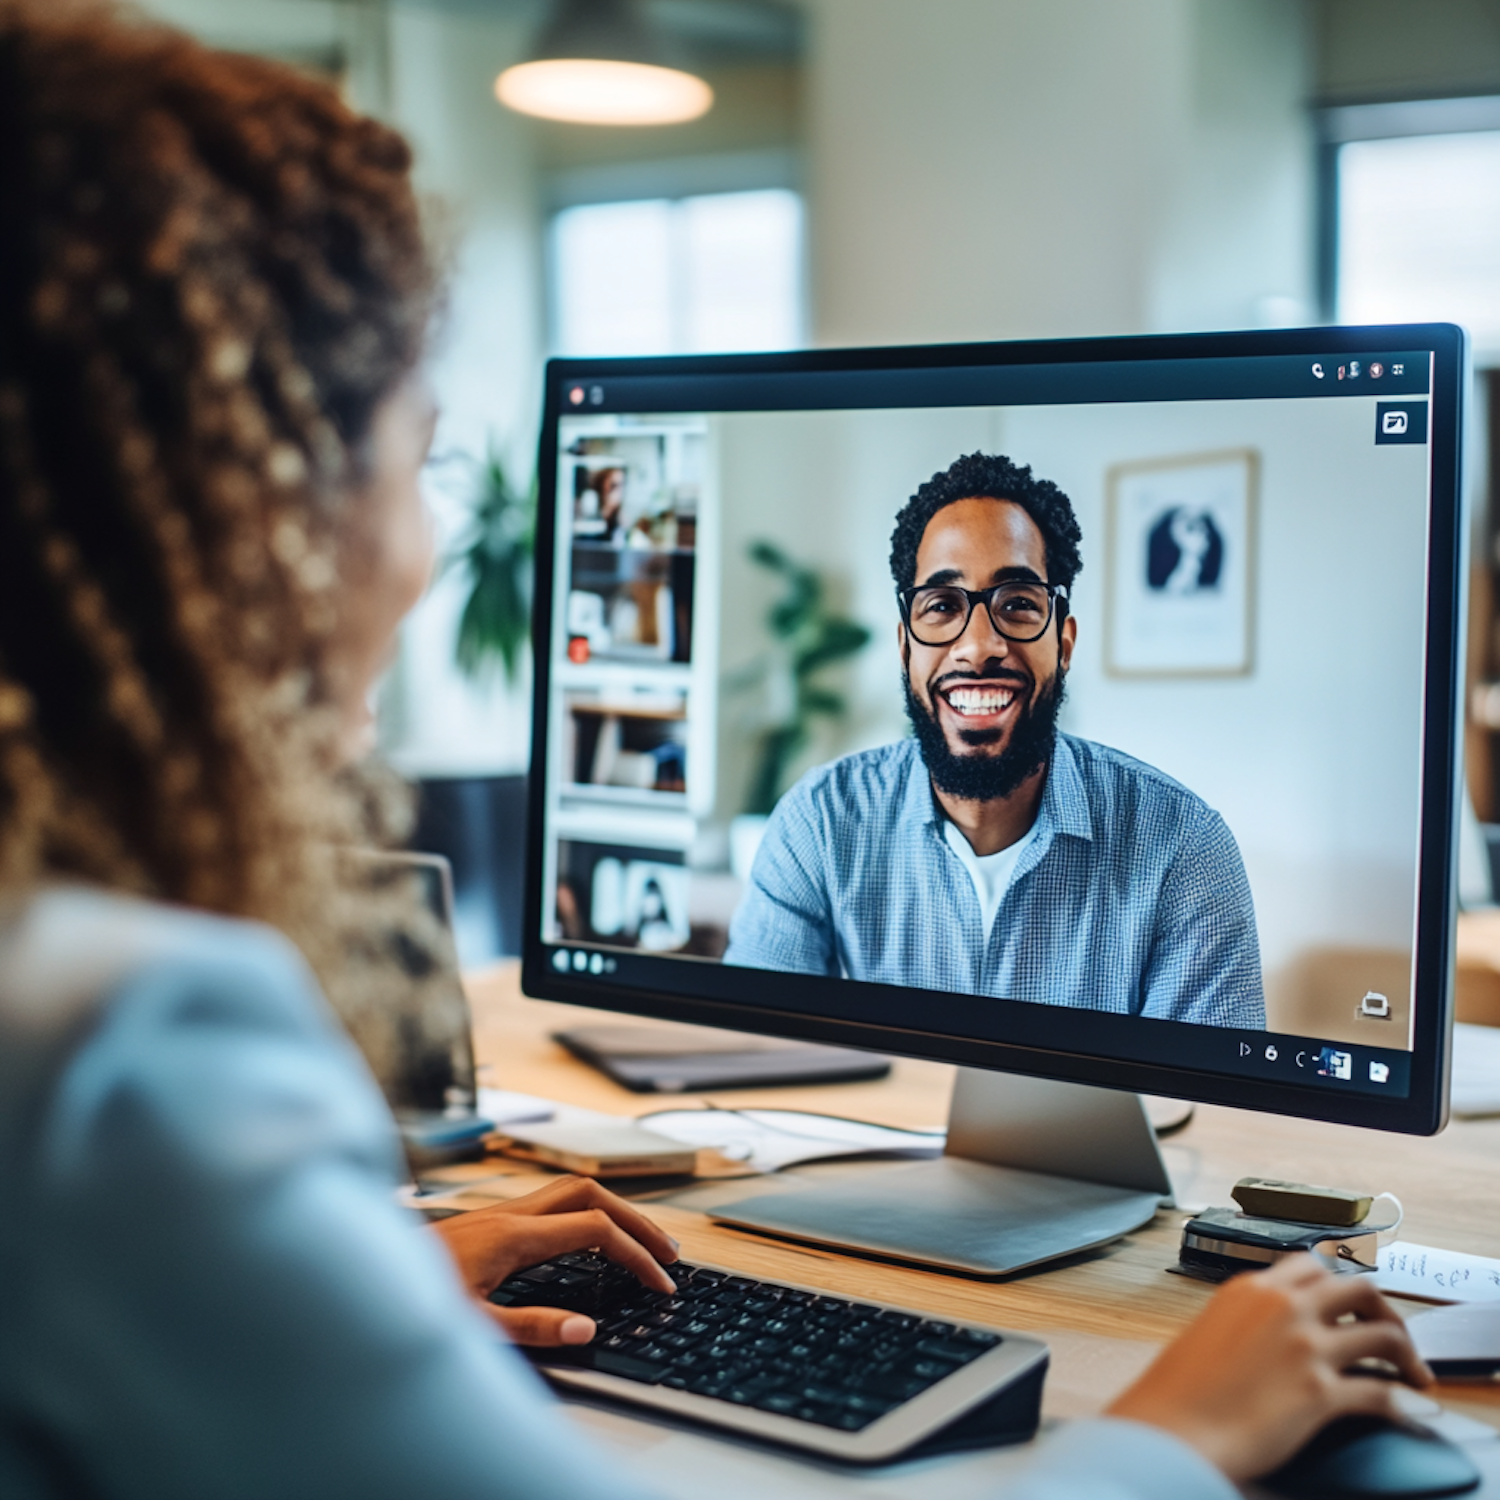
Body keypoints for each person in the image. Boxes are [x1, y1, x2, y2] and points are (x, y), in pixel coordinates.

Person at [0, 5, 1428, 1498]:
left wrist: (358, 1284)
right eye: (415, 458)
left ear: (1067, 633)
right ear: (249, 509)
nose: (424, 549)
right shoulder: (130, 1054)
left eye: (1020, 604)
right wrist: (1173, 1435)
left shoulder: (1178, 840)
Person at [726, 453, 1266, 1029]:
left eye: (1017, 604)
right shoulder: (818, 825)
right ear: (906, 646)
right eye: (941, 606)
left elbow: (1205, 1112)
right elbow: (750, 1056)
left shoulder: (1184, 850)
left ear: (1063, 641)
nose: (978, 644)